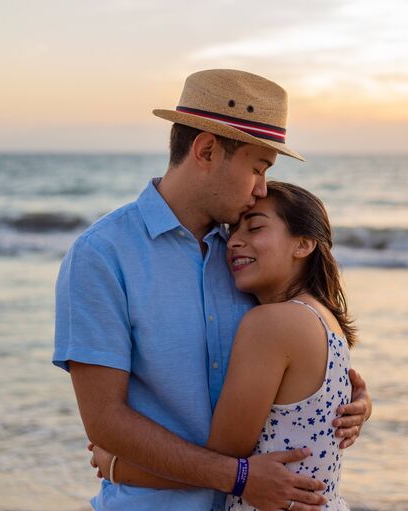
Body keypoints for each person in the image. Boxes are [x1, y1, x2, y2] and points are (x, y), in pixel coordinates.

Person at [53, 69, 371, 511]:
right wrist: (239, 479)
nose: (261, 187)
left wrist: (346, 403)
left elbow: (299, 357)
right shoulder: (103, 255)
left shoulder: (246, 257)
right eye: (257, 168)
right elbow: (105, 420)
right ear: (205, 150)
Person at [91, 181, 359, 510]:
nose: (233, 242)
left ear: (303, 244)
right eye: (232, 231)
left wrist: (119, 467)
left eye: (256, 227)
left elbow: (223, 463)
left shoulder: (271, 323)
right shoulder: (325, 319)